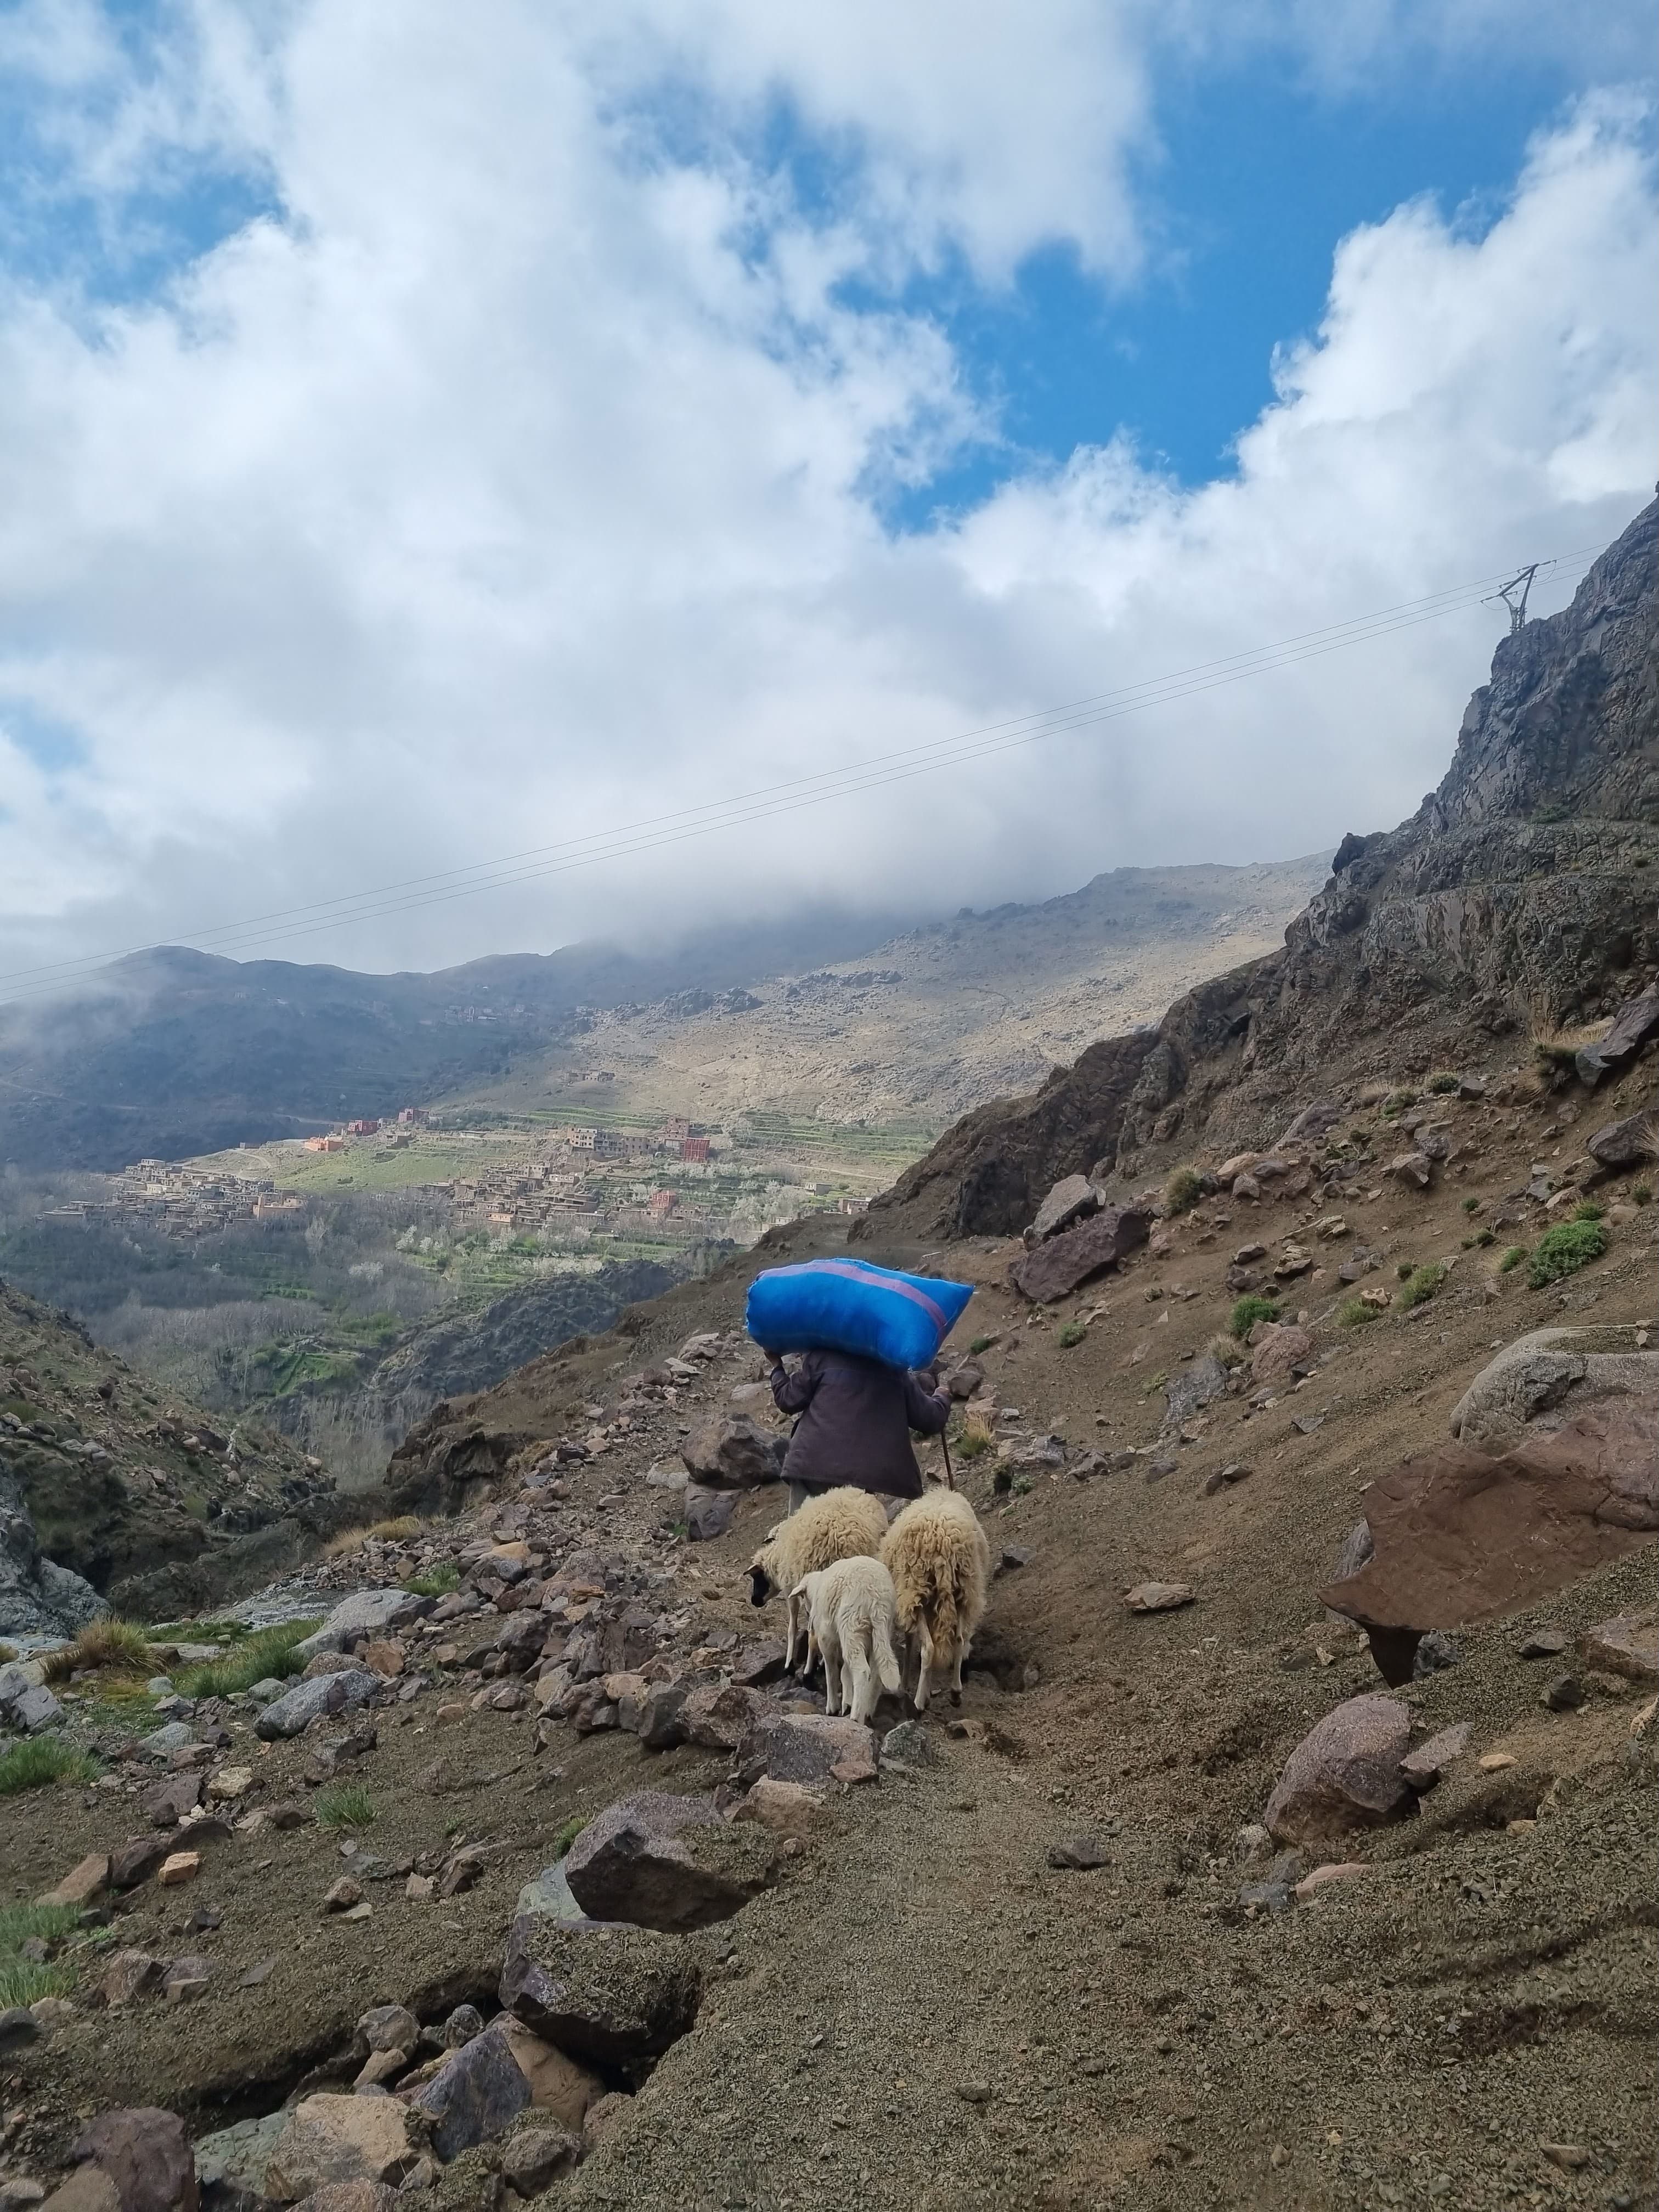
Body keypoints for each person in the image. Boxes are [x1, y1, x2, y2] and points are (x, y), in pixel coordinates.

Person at [760, 1345, 953, 1513]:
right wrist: (942, 1397)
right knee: (858, 1542)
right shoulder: (895, 1369)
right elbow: (929, 1419)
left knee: (804, 1542)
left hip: (812, 1466)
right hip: (865, 1477)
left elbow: (788, 1400)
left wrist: (777, 1368)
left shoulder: (821, 1358)